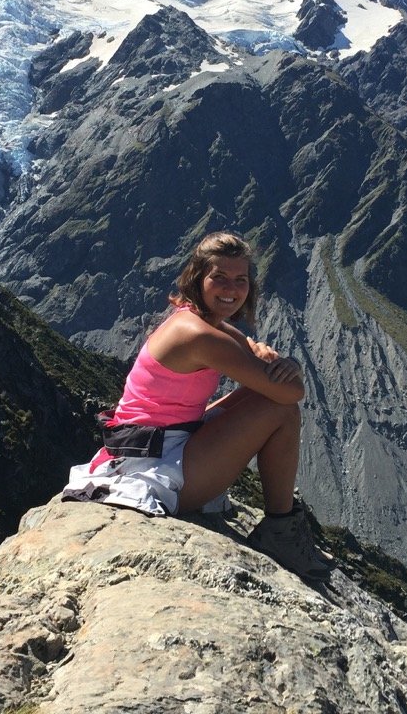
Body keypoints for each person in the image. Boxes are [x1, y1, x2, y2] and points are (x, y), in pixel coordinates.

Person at [62, 231, 331, 578]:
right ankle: (282, 531)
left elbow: (259, 361)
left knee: (264, 395)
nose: (231, 289)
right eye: (219, 277)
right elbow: (290, 393)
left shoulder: (195, 319)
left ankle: (282, 529)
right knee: (279, 409)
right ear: (197, 278)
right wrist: (287, 367)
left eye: (240, 280)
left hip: (152, 445)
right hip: (153, 466)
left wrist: (276, 363)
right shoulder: (199, 335)